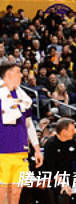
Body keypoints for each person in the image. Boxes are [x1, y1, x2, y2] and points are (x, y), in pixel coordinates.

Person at [0, 60, 43, 204]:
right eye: (18, 72)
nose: (21, 75)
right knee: (2, 196)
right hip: (2, 153)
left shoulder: (23, 97)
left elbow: (29, 124)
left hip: (21, 153)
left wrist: (37, 149)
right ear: (9, 75)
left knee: (15, 195)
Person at [43, 118, 76, 204]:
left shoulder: (72, 142)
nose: (75, 132)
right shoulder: (50, 144)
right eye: (72, 130)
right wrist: (63, 184)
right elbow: (51, 169)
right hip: (56, 178)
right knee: (64, 193)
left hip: (71, 175)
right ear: (64, 131)